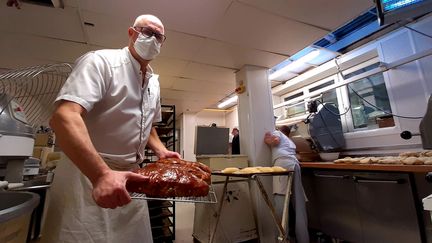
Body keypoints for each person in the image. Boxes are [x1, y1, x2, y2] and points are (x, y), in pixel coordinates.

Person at [41, 14, 181, 243]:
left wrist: (160, 150)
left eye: (159, 36)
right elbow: (63, 117)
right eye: (147, 32)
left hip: (131, 176)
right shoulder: (101, 62)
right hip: (88, 175)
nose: (153, 38)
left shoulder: (153, 83)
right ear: (131, 33)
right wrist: (101, 175)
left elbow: (148, 124)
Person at [264, 125, 309, 243]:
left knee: (281, 204)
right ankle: (303, 239)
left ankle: (282, 239)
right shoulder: (289, 141)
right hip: (294, 165)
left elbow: (275, 140)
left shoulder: (277, 133)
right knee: (298, 203)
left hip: (283, 166)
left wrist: (268, 138)